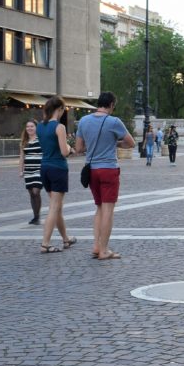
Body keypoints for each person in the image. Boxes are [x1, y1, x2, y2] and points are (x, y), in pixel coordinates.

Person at [75, 91, 135, 260]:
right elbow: (130, 143)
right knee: (108, 210)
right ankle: (104, 250)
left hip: (91, 169)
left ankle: (96, 246)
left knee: (99, 208)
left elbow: (79, 148)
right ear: (111, 105)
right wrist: (114, 143)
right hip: (108, 168)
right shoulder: (114, 121)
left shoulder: (84, 121)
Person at [36, 96, 76, 254]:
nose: (62, 113)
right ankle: (45, 244)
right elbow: (64, 151)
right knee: (54, 207)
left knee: (57, 207)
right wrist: (70, 149)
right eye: (62, 110)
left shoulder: (40, 126)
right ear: (59, 109)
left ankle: (66, 239)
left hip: (44, 167)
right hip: (58, 168)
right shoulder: (59, 127)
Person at [18, 120, 42, 224]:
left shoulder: (41, 139)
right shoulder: (24, 141)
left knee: (36, 191)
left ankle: (37, 216)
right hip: (28, 170)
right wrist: (20, 170)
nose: (29, 128)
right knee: (31, 194)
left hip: (39, 169)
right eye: (28, 126)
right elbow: (22, 157)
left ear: (36, 127)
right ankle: (35, 216)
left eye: (32, 126)